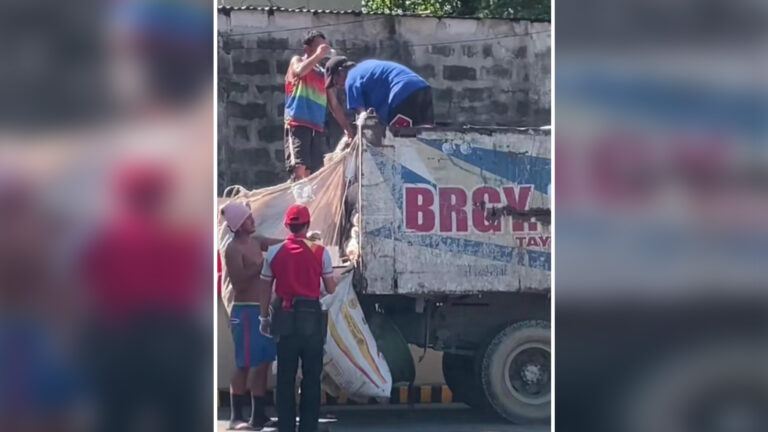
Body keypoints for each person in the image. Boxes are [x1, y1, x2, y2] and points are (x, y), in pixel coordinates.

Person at [257, 205, 338, 432]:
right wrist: (337, 278)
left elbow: (265, 287)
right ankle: (309, 427)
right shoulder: (321, 252)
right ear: (308, 225)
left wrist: (263, 318)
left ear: (286, 226)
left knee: (285, 379)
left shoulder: (274, 253)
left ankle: (286, 427)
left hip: (285, 321)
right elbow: (331, 288)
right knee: (312, 379)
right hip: (312, 321)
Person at [220, 201, 282, 430]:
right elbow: (239, 281)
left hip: (262, 311)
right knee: (244, 363)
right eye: (248, 219)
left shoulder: (256, 242)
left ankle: (258, 414)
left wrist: (302, 241)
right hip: (245, 311)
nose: (252, 221)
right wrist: (261, 265)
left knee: (264, 362)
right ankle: (236, 416)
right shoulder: (232, 249)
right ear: (238, 224)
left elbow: (276, 245)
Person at [284, 31, 354, 181]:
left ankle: (306, 203)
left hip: (316, 127)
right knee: (299, 167)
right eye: (317, 46)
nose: (321, 50)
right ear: (307, 49)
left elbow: (334, 104)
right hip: (298, 123)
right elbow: (299, 71)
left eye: (323, 46)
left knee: (311, 172)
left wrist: (348, 130)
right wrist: (318, 55)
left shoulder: (322, 74)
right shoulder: (297, 61)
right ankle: (296, 201)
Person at [325, 56, 434, 128]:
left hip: (402, 92)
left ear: (341, 71)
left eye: (335, 81)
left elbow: (363, 118)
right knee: (426, 134)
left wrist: (353, 135)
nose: (338, 86)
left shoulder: (351, 78)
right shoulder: (366, 68)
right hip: (423, 88)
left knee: (399, 139)